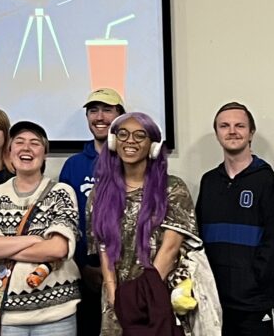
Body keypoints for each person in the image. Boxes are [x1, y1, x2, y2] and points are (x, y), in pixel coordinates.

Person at [92, 111, 220, 336]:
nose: (130, 141)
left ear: (153, 146)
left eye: (140, 135)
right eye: (123, 134)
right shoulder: (100, 192)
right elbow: (103, 247)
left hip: (158, 296)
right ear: (113, 141)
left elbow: (170, 249)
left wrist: (141, 296)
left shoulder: (172, 188)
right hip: (118, 300)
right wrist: (113, 293)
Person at [0, 120, 80, 336]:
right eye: (19, 142)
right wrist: (36, 240)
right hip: (3, 314)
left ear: (45, 154)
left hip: (56, 314)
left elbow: (58, 249)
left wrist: (5, 246)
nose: (26, 148)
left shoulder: (61, 192)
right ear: (9, 151)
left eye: (35, 143)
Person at [196, 102, 274, 336]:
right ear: (217, 133)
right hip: (214, 301)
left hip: (255, 303)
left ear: (251, 133)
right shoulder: (209, 182)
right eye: (224, 126)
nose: (232, 131)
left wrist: (254, 280)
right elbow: (198, 237)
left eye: (240, 126)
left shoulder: (267, 180)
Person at [59, 88, 125, 336]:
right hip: (84, 274)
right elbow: (65, 221)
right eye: (93, 111)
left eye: (107, 110)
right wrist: (83, 267)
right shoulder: (73, 165)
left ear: (120, 116)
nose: (100, 117)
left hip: (127, 274)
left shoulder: (132, 159)